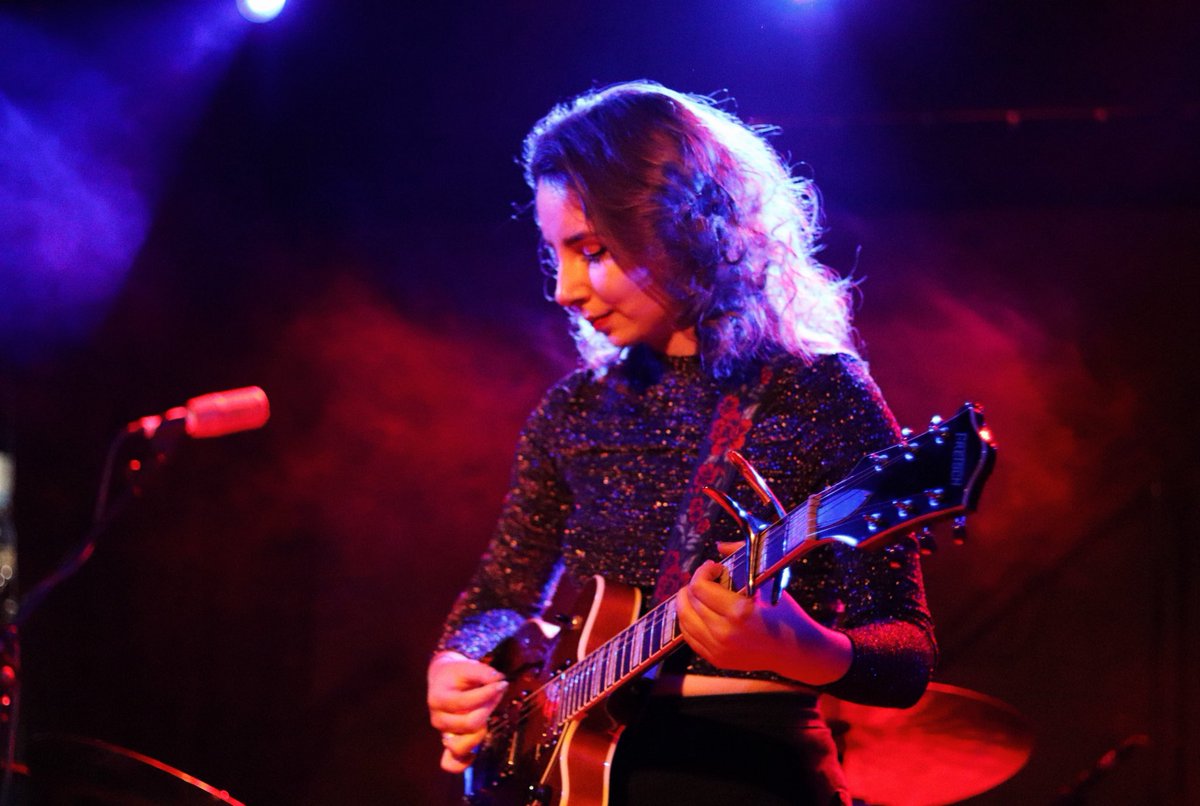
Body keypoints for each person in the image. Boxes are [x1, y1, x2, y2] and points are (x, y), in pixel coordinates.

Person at [426, 81, 936, 805]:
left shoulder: (819, 393)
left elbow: (907, 652)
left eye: (592, 250)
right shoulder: (574, 411)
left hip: (749, 778)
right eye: (555, 254)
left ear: (685, 227)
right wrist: (457, 663)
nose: (564, 289)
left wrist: (801, 649)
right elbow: (500, 594)